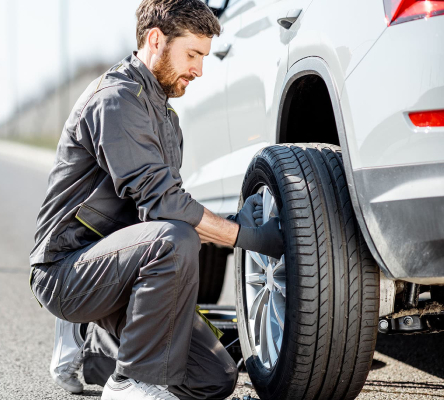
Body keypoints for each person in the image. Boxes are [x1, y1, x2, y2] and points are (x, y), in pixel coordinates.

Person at [29, 1, 284, 398]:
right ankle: (132, 383)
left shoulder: (166, 119)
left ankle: (94, 350)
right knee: (172, 243)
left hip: (119, 266)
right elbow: (167, 215)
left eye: (204, 57)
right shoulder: (115, 101)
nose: (199, 69)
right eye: (193, 55)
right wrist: (242, 235)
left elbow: (165, 213)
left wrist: (237, 221)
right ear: (155, 40)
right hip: (67, 269)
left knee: (213, 377)